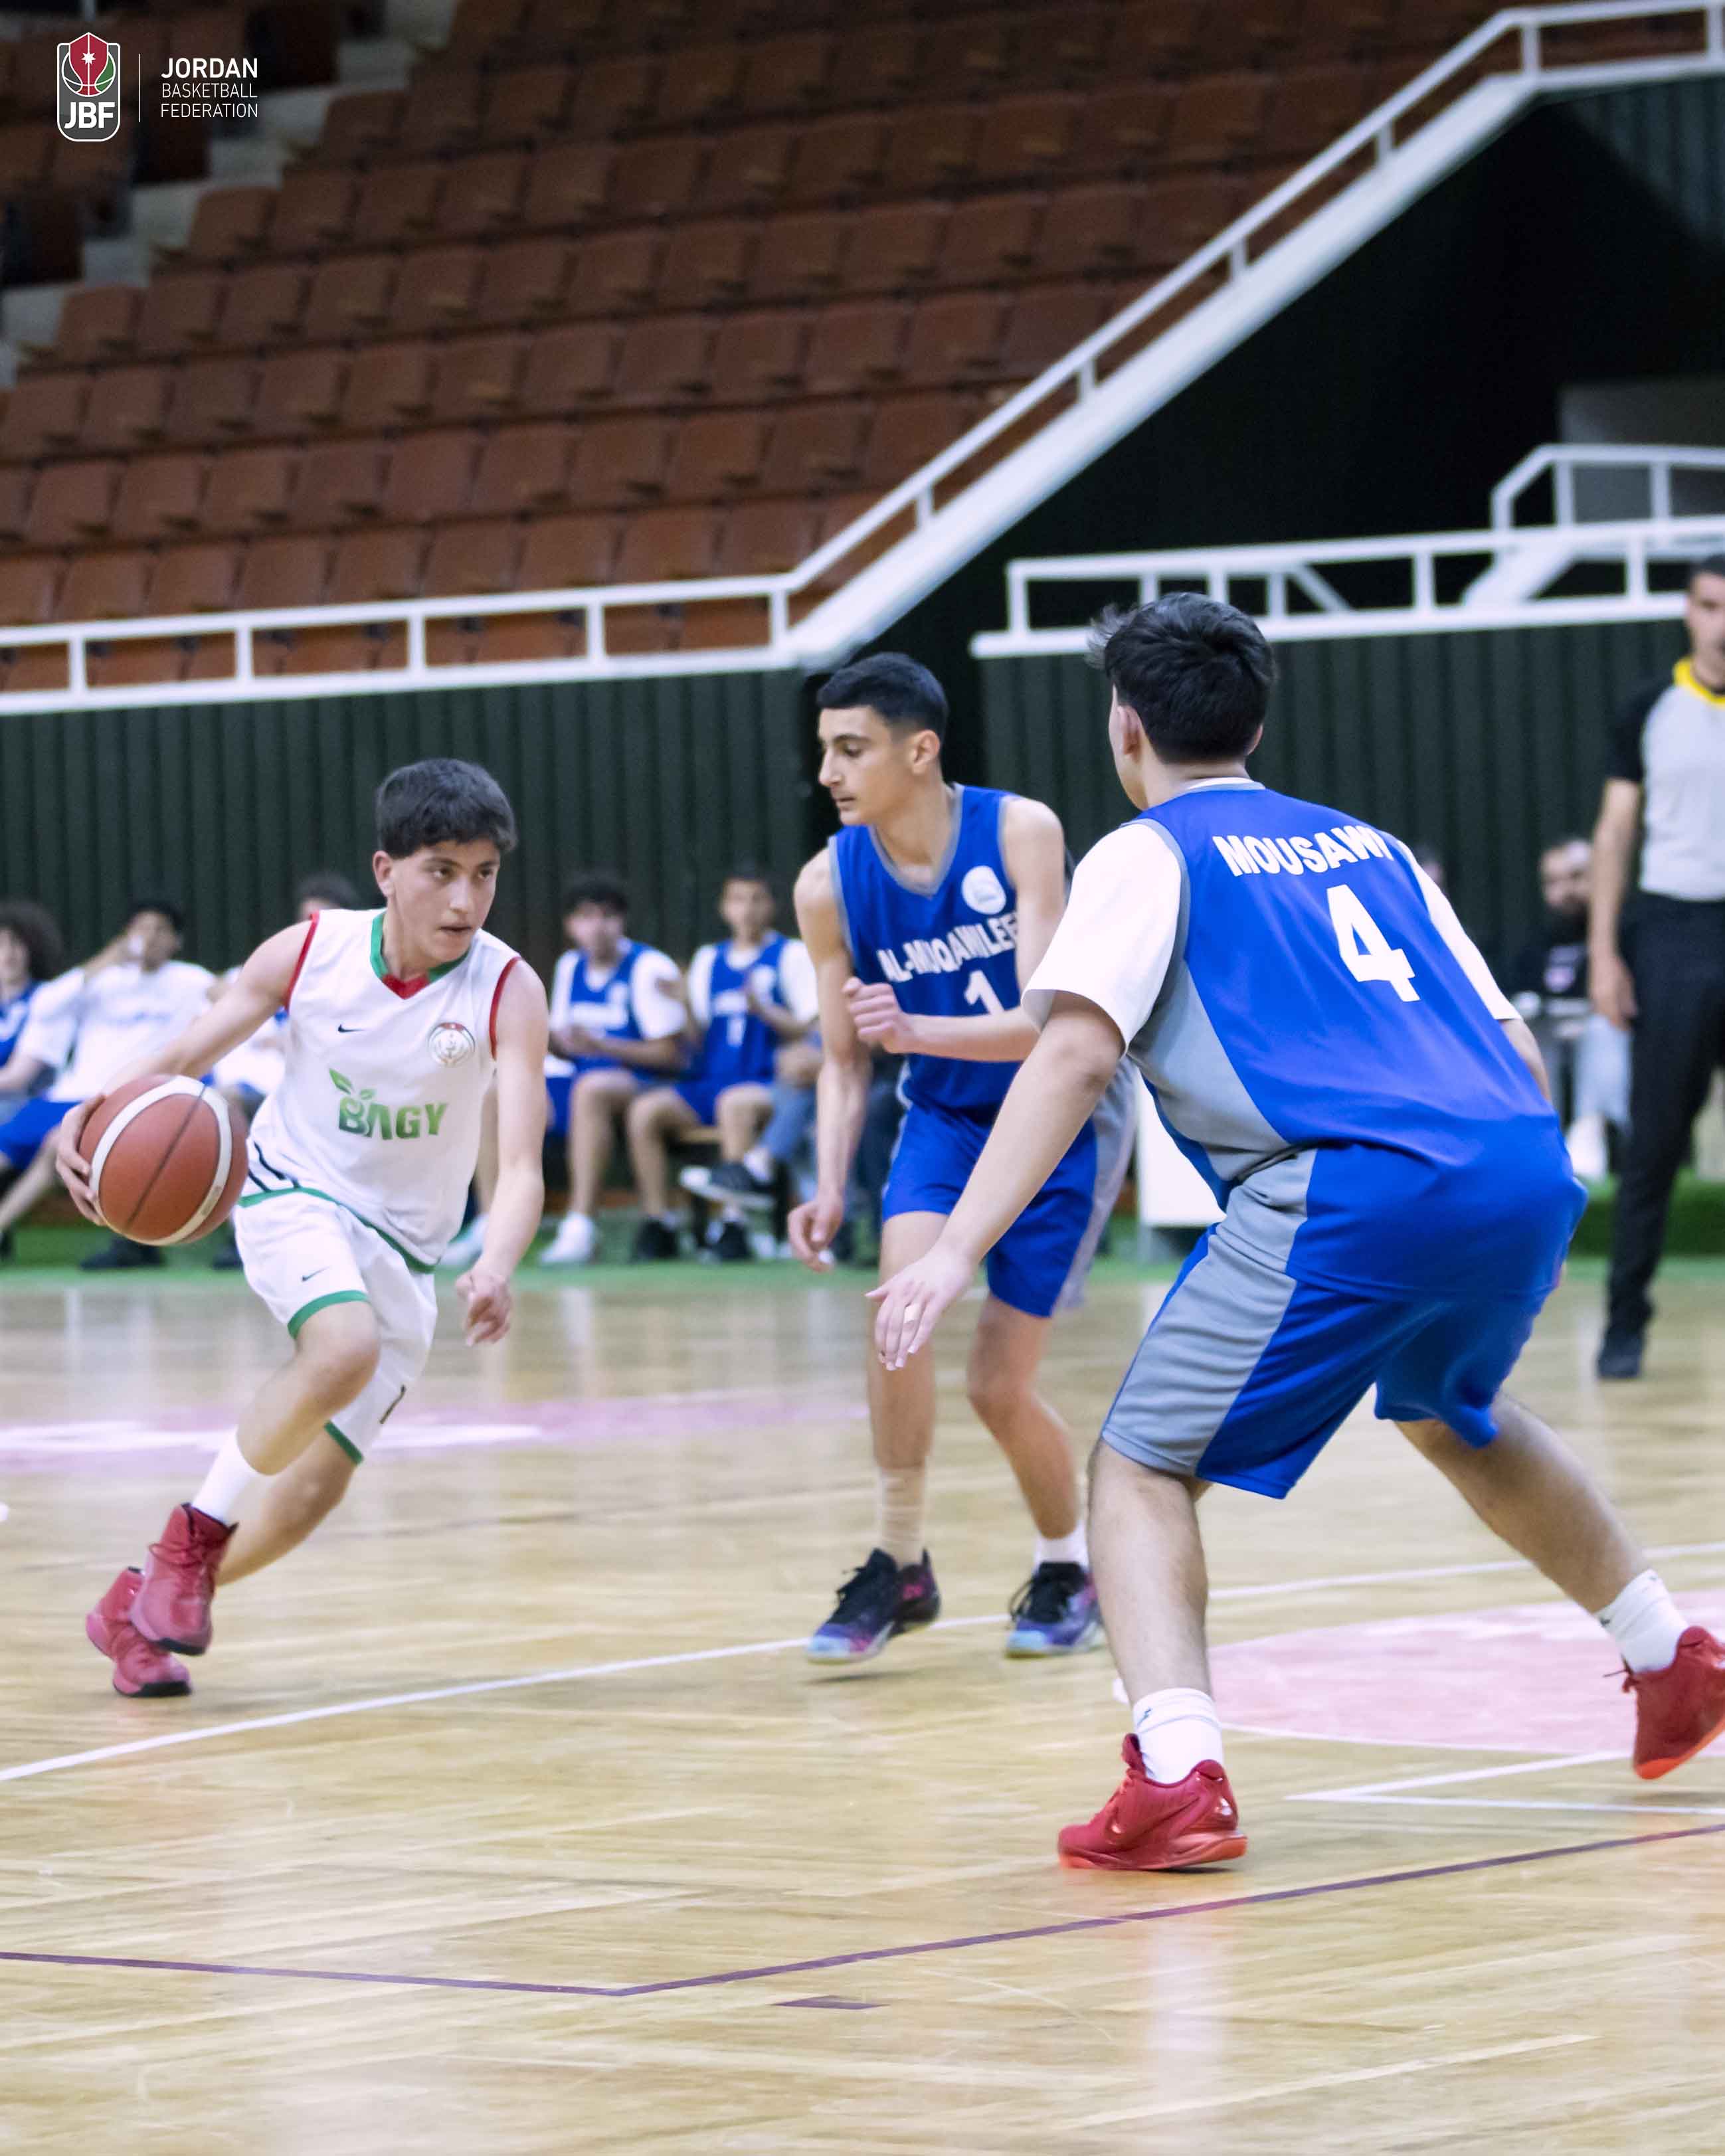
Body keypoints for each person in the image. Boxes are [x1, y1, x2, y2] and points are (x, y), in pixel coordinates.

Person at [871, 595, 1725, 1873]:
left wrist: (950, 1248)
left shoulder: (1145, 854)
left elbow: (1073, 1055)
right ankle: (1671, 1658)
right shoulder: (1369, 846)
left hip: (1351, 1187)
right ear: (1255, 726)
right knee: (1451, 1410)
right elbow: (1502, 1041)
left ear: (1124, 726)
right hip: (1514, 1161)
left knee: (1141, 1467)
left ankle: (1177, 1777)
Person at [61, 759, 547, 1700]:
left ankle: (136, 1604)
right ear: (386, 871)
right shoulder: (311, 951)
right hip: (294, 1190)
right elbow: (186, 1050)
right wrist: (94, 1110)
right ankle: (189, 1539)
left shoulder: (508, 988)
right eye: (442, 871)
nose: (465, 899)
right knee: (342, 1346)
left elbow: (522, 1165)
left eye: (484, 874)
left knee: (308, 1497)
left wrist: (496, 1262)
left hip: (409, 1249)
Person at [788, 651, 1135, 1664]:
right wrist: (825, 1183)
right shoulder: (827, 884)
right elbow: (843, 1062)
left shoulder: (1021, 831)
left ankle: (1068, 1563)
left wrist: (914, 1028)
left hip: (1054, 1117)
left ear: (919, 750)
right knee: (895, 1315)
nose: (829, 772)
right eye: (824, 750)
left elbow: (1042, 1024)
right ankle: (900, 1561)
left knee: (995, 1384)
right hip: (943, 1116)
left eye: (850, 749)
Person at [1591, 554, 1725, 1379]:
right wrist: (1604, 953)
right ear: (1687, 611)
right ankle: (1622, 1324)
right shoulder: (1649, 706)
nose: (1721, 623)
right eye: (1710, 606)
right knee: (1653, 1143)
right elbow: (1613, 834)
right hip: (1673, 928)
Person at [0, 899, 213, 1268]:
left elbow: (235, 998)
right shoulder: (103, 979)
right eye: (142, 928)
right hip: (68, 1095)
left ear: (176, 940)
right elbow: (46, 1004)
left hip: (126, 1099)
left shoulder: (190, 979)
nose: (150, 937)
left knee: (57, 1147)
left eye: (161, 930)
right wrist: (107, 960)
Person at [627, 865, 818, 1261]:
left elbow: (809, 1030)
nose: (747, 909)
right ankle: (659, 1222)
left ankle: (734, 1225)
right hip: (711, 1080)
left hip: (766, 1081)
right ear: (724, 907)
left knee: (734, 1105)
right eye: (738, 899)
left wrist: (764, 1010)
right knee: (645, 1112)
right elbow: (697, 1039)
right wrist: (682, 1002)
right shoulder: (708, 959)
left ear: (772, 906)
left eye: (756, 899)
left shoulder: (791, 955)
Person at [207, 872, 361, 1270]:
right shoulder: (273, 968)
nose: (312, 930)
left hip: (319, 1094)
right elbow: (215, 989)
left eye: (322, 921)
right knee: (221, 1106)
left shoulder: (353, 982)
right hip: (249, 1091)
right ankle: (242, 1233)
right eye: (306, 920)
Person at [535, 875, 687, 1266]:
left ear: (623, 921)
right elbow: (564, 1042)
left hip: (645, 1082)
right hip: (581, 1077)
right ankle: (488, 1220)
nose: (597, 927)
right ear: (571, 925)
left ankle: (581, 1225)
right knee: (498, 1090)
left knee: (593, 1088)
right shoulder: (569, 966)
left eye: (607, 916)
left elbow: (671, 1055)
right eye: (586, 917)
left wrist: (603, 1045)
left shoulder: (649, 966)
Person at [1505, 837, 1627, 1182]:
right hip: (1551, 1038)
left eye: (1576, 877)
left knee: (1603, 1028)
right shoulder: (1537, 942)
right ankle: (1543, 1130)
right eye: (1554, 882)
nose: (1566, 891)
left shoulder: (1623, 933)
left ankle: (1593, 1129)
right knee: (1527, 1031)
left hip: (1607, 1036)